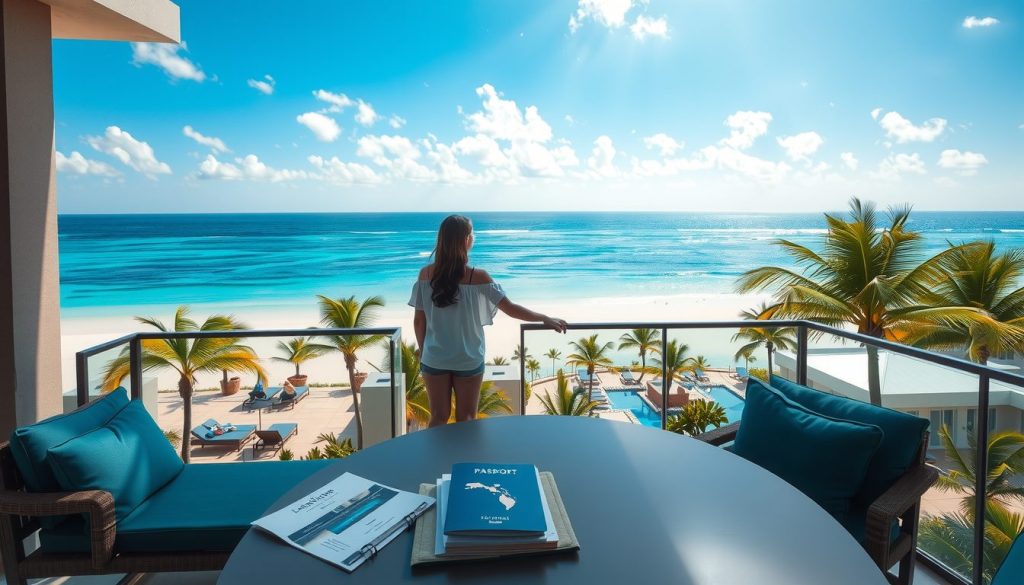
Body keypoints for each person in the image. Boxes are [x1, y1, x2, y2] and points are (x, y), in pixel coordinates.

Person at [409, 215, 567, 427]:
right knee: (466, 418)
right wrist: (544, 318)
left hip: (434, 358)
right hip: (468, 358)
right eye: (472, 234)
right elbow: (510, 309)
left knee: (438, 416)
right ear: (466, 240)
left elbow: (419, 322)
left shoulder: (425, 275)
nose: (473, 237)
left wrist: (425, 350)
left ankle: (436, 460)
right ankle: (464, 460)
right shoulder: (478, 277)